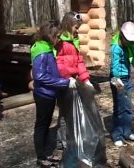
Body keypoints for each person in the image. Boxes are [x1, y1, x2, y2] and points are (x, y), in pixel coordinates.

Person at [31, 20, 76, 167]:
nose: (58, 39)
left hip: (49, 93)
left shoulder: (47, 47)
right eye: (57, 36)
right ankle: (41, 157)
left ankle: (46, 153)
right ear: (49, 35)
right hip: (44, 94)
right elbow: (40, 77)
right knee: (41, 125)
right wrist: (64, 83)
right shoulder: (41, 51)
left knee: (45, 123)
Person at [55, 11, 93, 166]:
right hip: (64, 82)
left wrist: (86, 79)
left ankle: (70, 137)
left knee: (71, 111)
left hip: (74, 81)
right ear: (69, 24)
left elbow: (79, 61)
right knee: (64, 112)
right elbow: (57, 63)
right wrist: (66, 78)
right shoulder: (59, 41)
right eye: (77, 27)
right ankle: (62, 141)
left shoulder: (74, 40)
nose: (78, 30)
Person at [110, 21, 134, 146]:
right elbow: (114, 66)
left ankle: (127, 131)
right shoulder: (116, 48)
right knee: (120, 108)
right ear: (122, 36)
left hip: (127, 79)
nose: (130, 43)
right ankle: (117, 135)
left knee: (128, 107)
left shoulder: (129, 46)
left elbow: (133, 59)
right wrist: (117, 80)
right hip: (117, 79)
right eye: (128, 40)